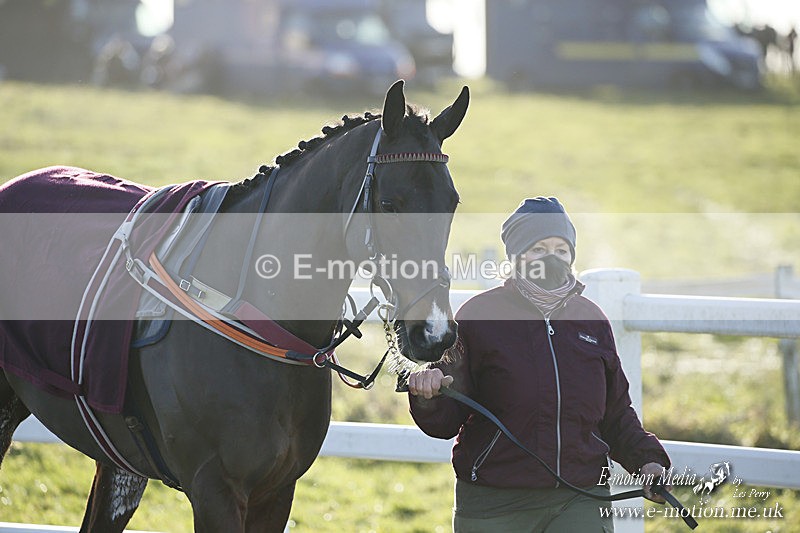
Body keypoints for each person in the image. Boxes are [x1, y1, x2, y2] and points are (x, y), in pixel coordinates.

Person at [407, 197, 671, 532]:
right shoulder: (478, 316)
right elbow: (445, 421)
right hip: (495, 501)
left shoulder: (591, 320)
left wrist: (647, 460)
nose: (551, 258)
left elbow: (616, 413)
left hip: (581, 495)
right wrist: (428, 398)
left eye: (561, 249)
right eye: (538, 249)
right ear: (517, 257)